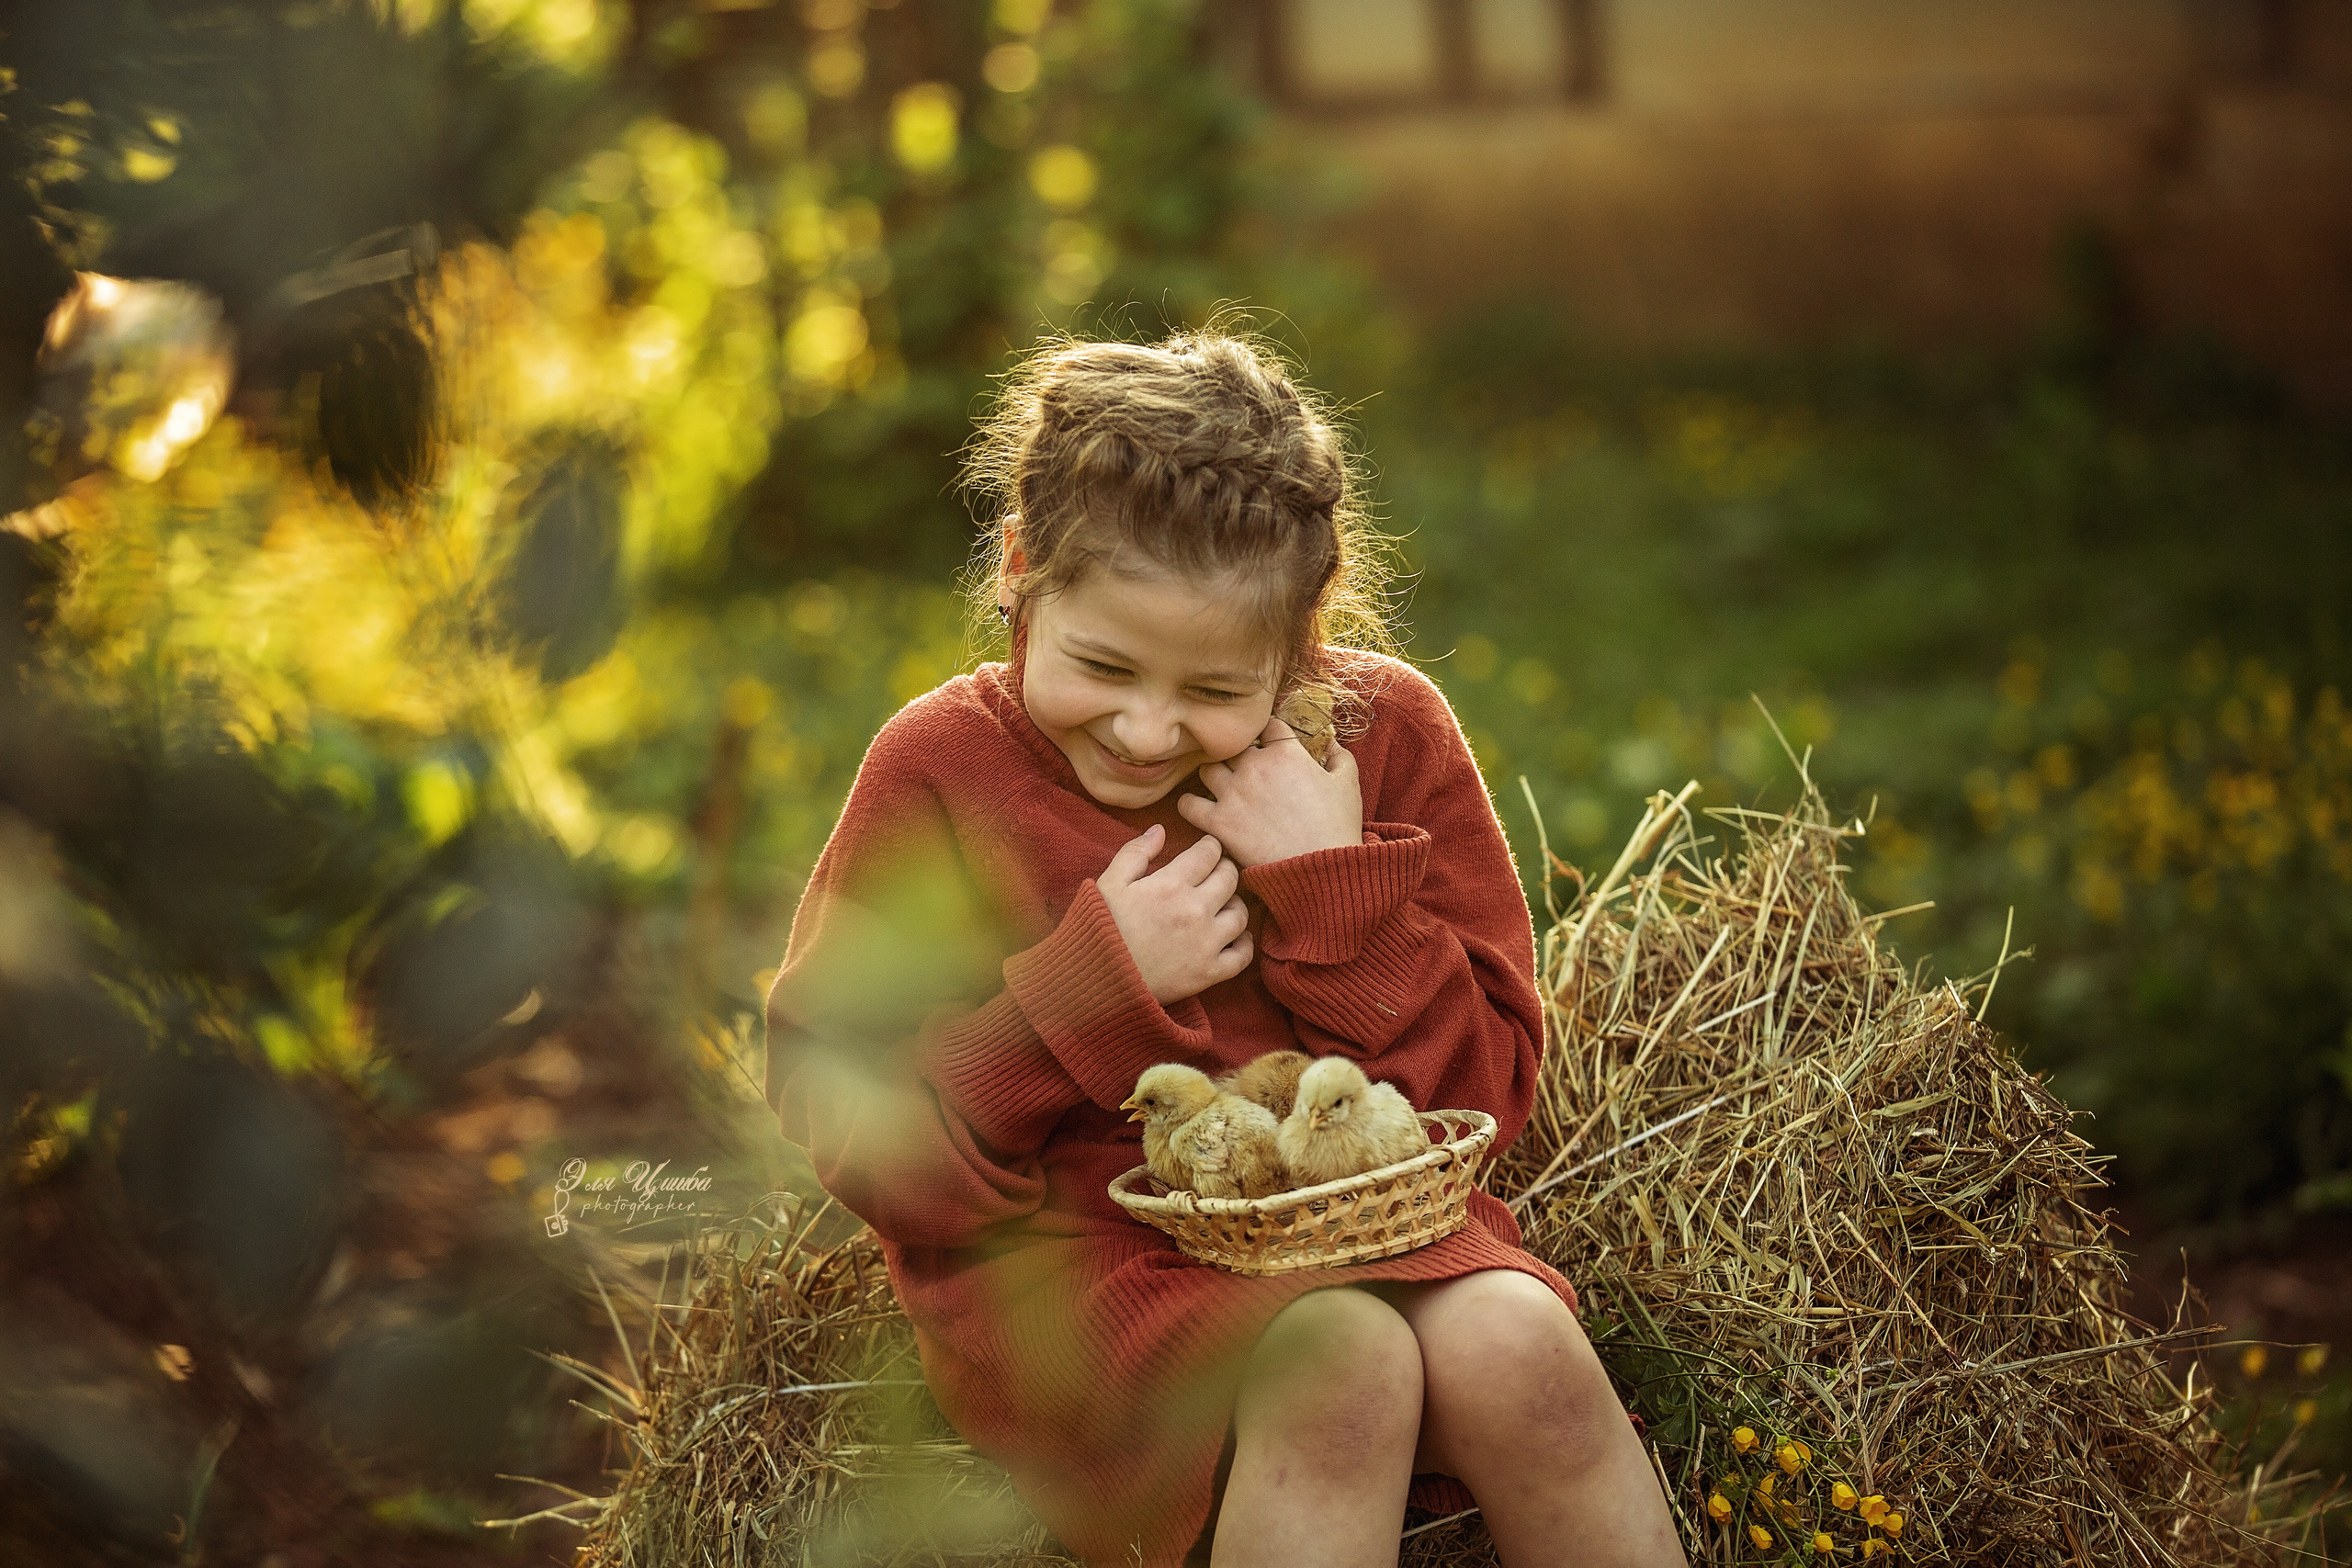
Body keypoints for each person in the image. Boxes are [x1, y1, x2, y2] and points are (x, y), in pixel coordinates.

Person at [763, 330, 1684, 1568]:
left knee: (1524, 1348)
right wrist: (1086, 1005)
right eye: (1102, 665)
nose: (1147, 730)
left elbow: (1485, 1101)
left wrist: (1333, 894)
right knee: (1342, 1361)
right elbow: (850, 1121)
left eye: (1213, 688)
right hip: (1078, 1268)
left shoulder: (1386, 737)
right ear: (1022, 570)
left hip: (1369, 1235)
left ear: (1302, 640)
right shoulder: (938, 771)